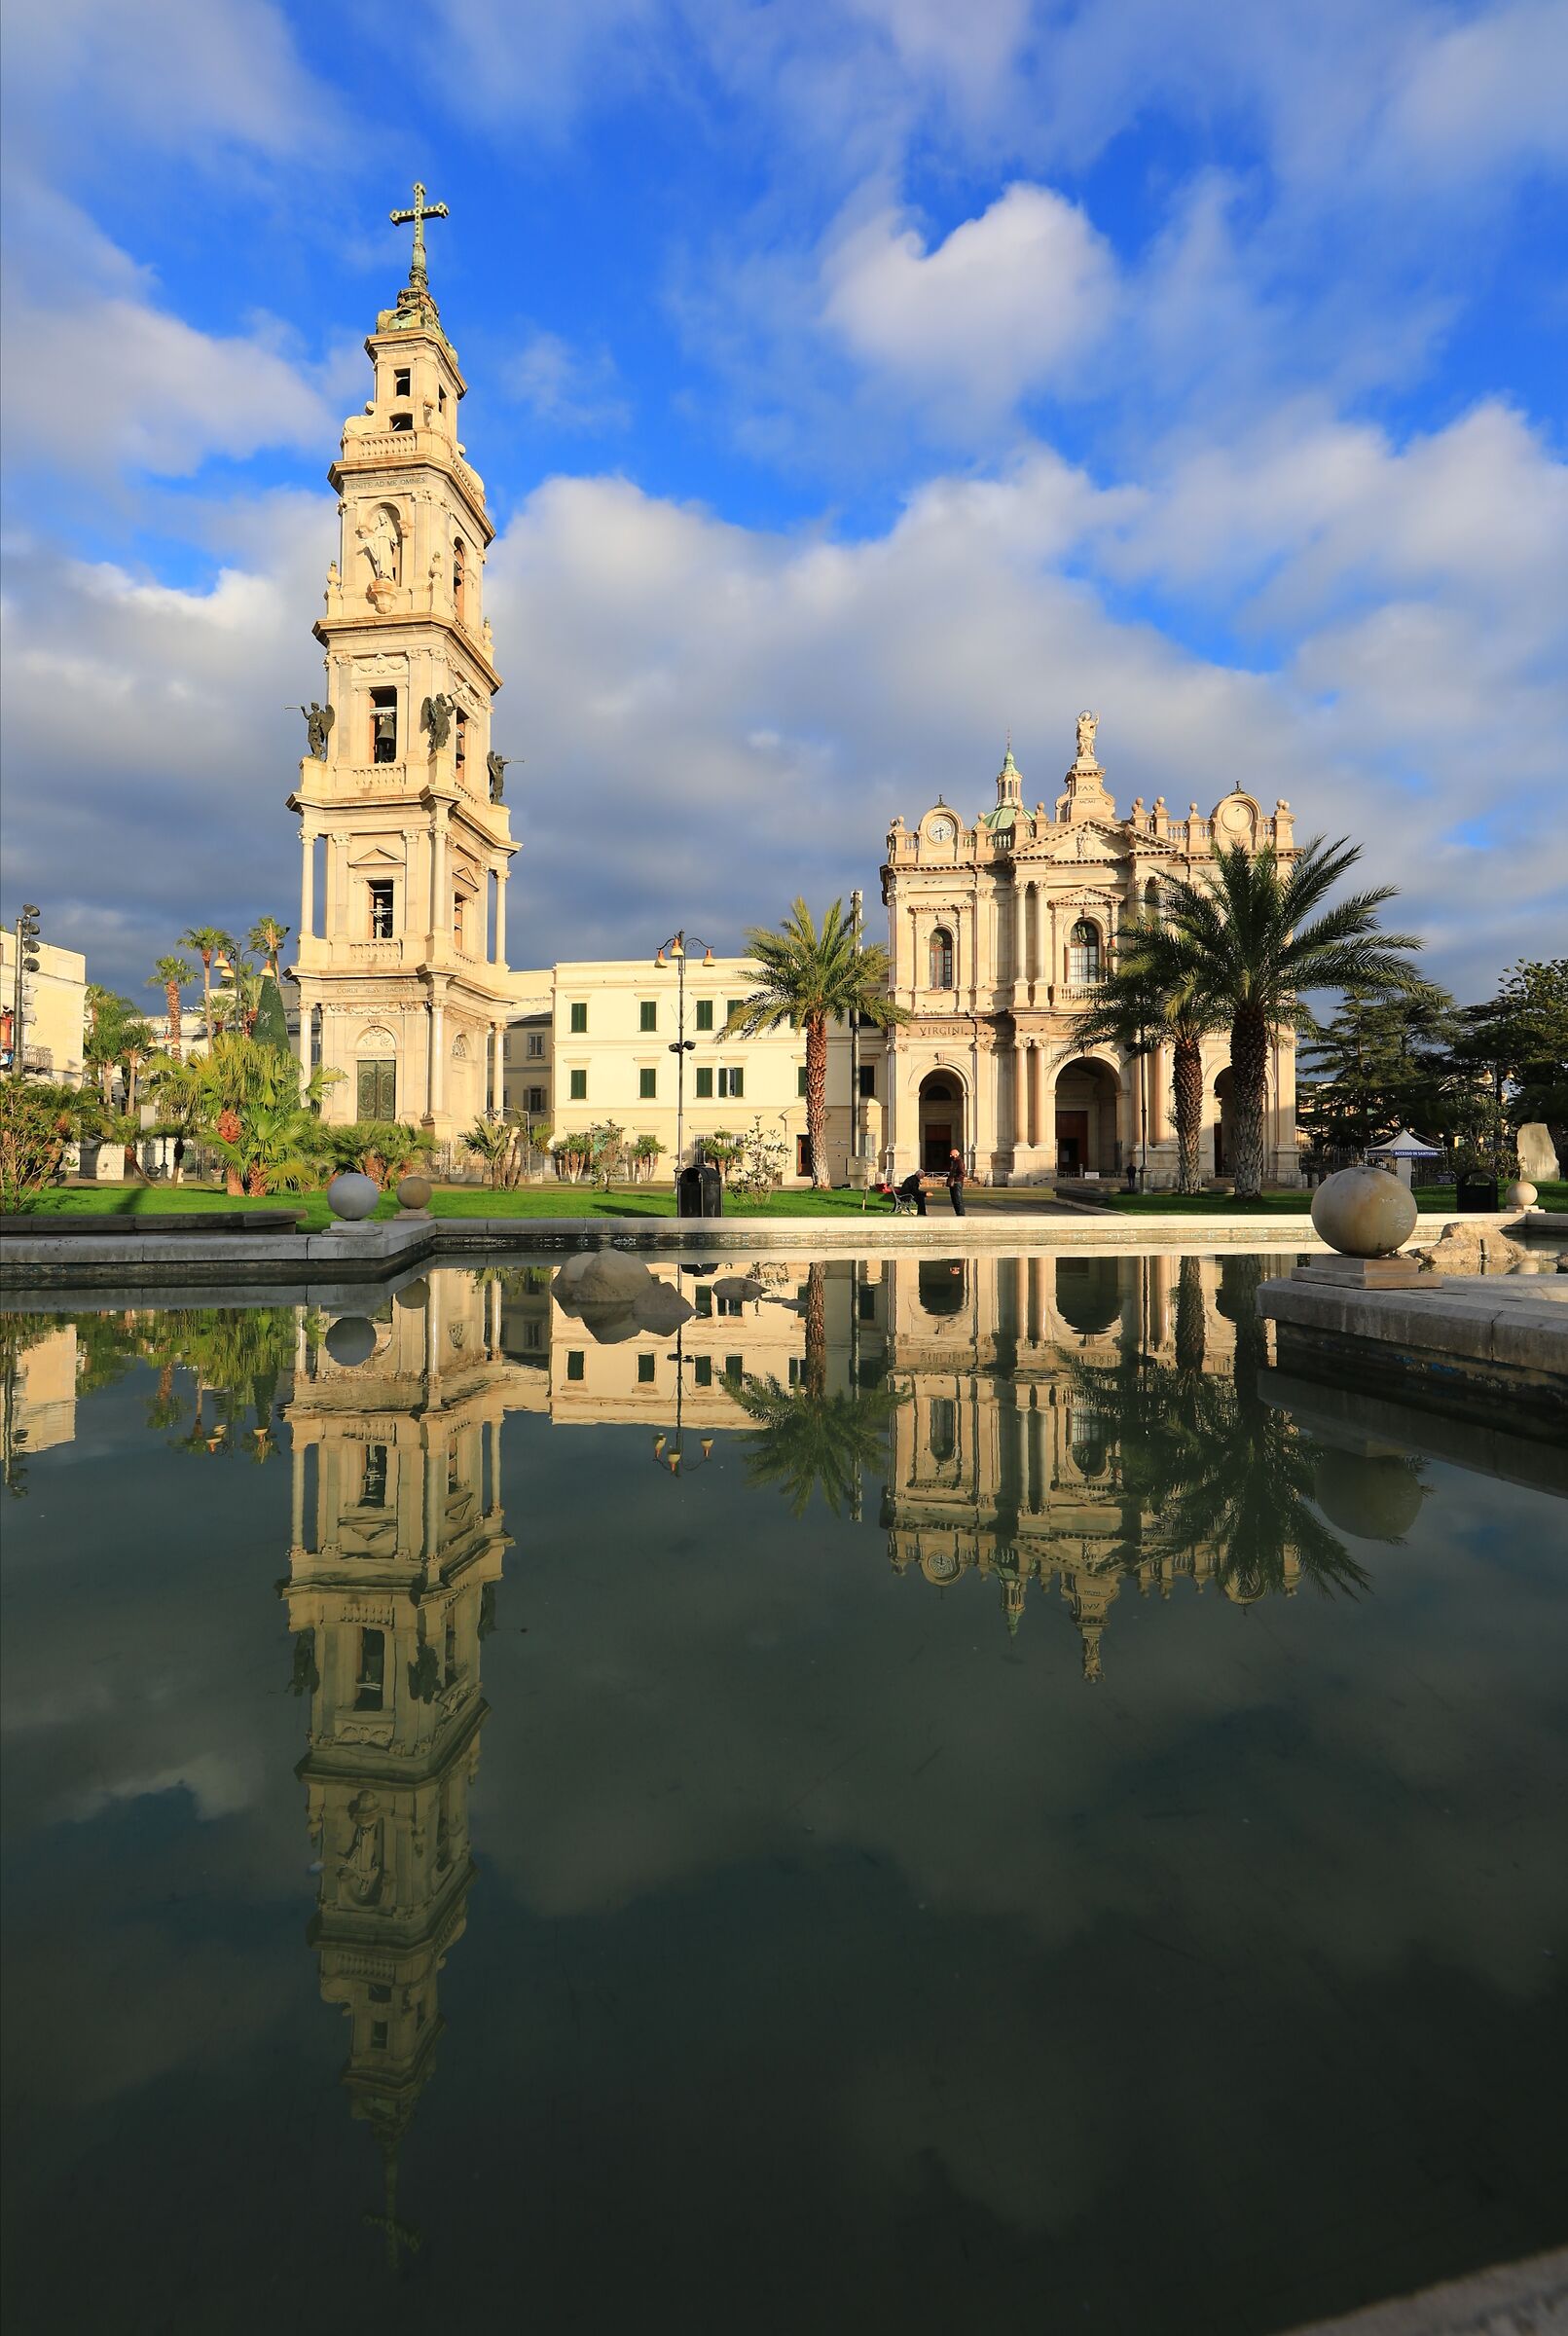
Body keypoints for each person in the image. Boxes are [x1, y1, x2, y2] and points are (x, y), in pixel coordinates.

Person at [945, 1149, 966, 1216]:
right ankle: (958, 1212)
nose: (950, 1156)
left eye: (951, 1154)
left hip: (957, 1183)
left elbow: (962, 1173)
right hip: (954, 1183)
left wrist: (955, 1180)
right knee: (954, 1199)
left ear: (956, 1154)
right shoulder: (954, 1161)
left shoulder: (959, 1161)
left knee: (958, 1199)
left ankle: (961, 1213)